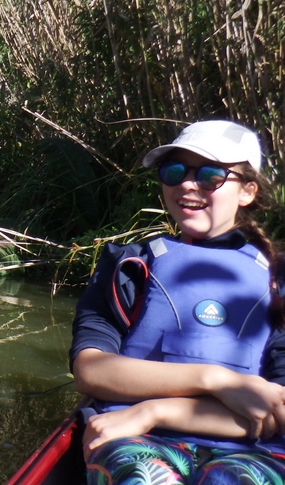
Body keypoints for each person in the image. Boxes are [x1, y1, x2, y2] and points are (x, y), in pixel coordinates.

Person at [69, 119, 285, 484]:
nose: (187, 183)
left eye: (210, 175)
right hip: (137, 440)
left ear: (247, 191)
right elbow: (90, 370)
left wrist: (157, 411)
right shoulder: (128, 265)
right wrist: (214, 379)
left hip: (246, 447)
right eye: (175, 171)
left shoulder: (277, 281)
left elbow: (277, 410)